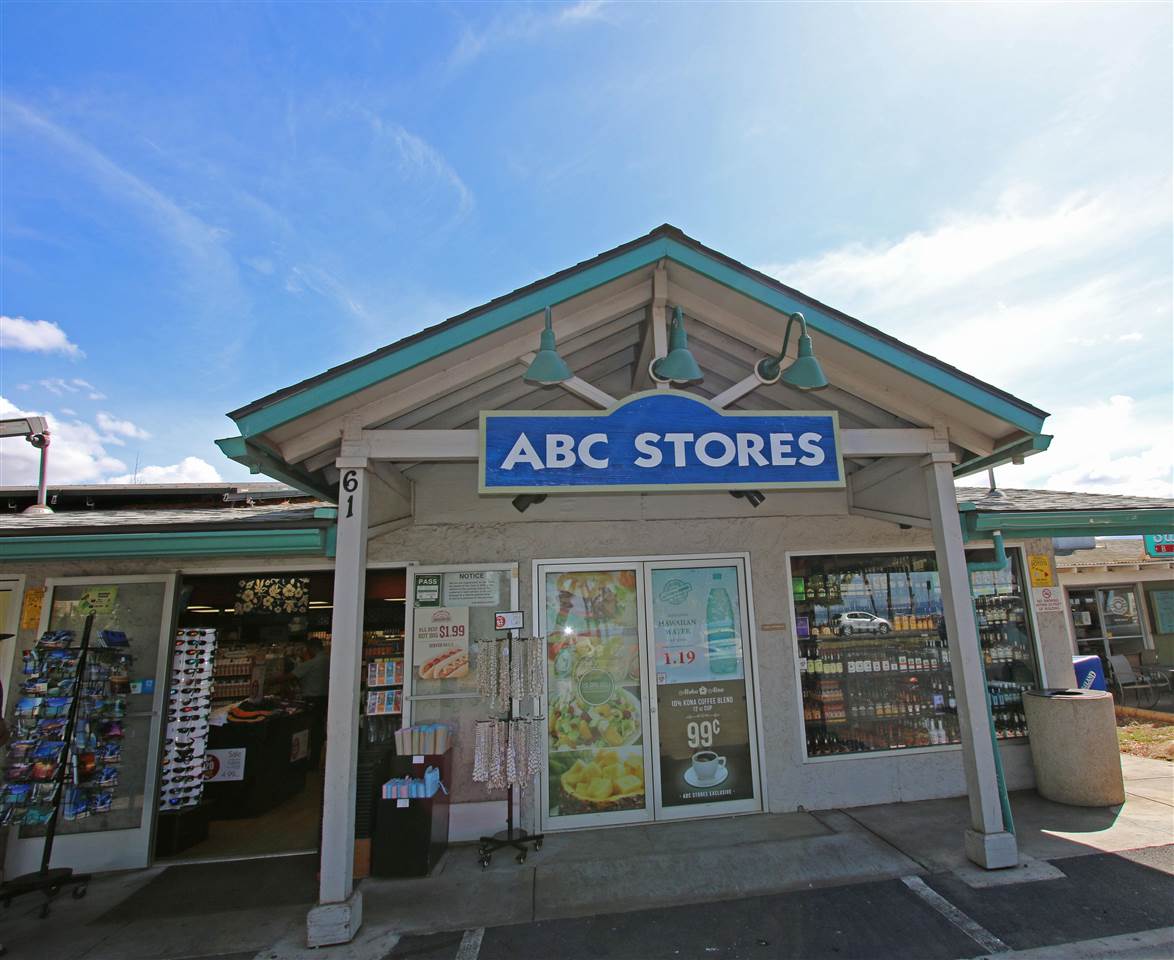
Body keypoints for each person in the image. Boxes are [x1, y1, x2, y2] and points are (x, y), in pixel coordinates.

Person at [290, 638, 329, 768]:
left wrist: (267, 681)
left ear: (311, 648)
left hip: (312, 701)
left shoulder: (312, 663)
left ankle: (310, 762)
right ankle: (315, 760)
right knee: (318, 730)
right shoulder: (328, 660)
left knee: (311, 731)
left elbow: (291, 676)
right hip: (324, 699)